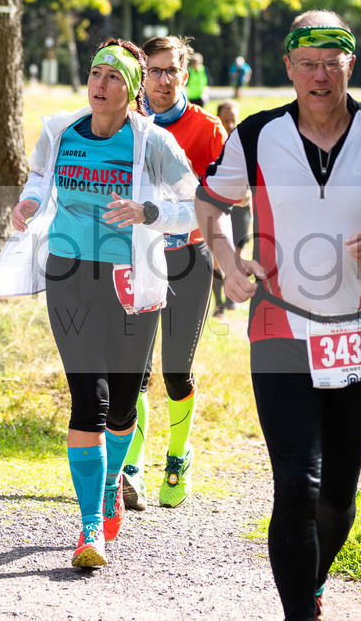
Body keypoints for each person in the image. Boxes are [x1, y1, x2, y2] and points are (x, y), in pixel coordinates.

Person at [195, 10, 361, 620]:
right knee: (296, 482)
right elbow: (211, 204)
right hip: (280, 323)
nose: (320, 75)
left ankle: (313, 580)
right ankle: (299, 611)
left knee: (338, 500)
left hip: (357, 332)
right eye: (308, 64)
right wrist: (226, 258)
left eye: (332, 63)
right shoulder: (255, 134)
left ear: (351, 65)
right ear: (289, 69)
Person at [0, 38, 198, 568]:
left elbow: (196, 204)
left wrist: (148, 210)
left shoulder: (151, 142)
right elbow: (41, 175)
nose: (99, 85)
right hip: (70, 273)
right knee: (90, 398)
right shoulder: (59, 130)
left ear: (132, 91)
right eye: (94, 74)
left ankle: (112, 483)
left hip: (132, 279)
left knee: (126, 402)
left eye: (113, 78)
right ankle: (90, 527)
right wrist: (30, 202)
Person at [118, 36, 227, 511]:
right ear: (142, 75)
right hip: (138, 259)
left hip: (188, 260)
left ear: (186, 74)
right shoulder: (126, 123)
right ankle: (132, 469)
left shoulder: (206, 129)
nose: (162, 80)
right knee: (135, 373)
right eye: (154, 71)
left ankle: (178, 455)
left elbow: (225, 197)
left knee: (175, 372)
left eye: (171, 71)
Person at [210, 100, 249, 318]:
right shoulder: (212, 142)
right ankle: (219, 302)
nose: (230, 125)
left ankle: (232, 295)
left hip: (241, 206)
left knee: (237, 254)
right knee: (218, 256)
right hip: (218, 206)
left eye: (233, 120)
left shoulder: (245, 142)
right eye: (225, 121)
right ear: (218, 120)